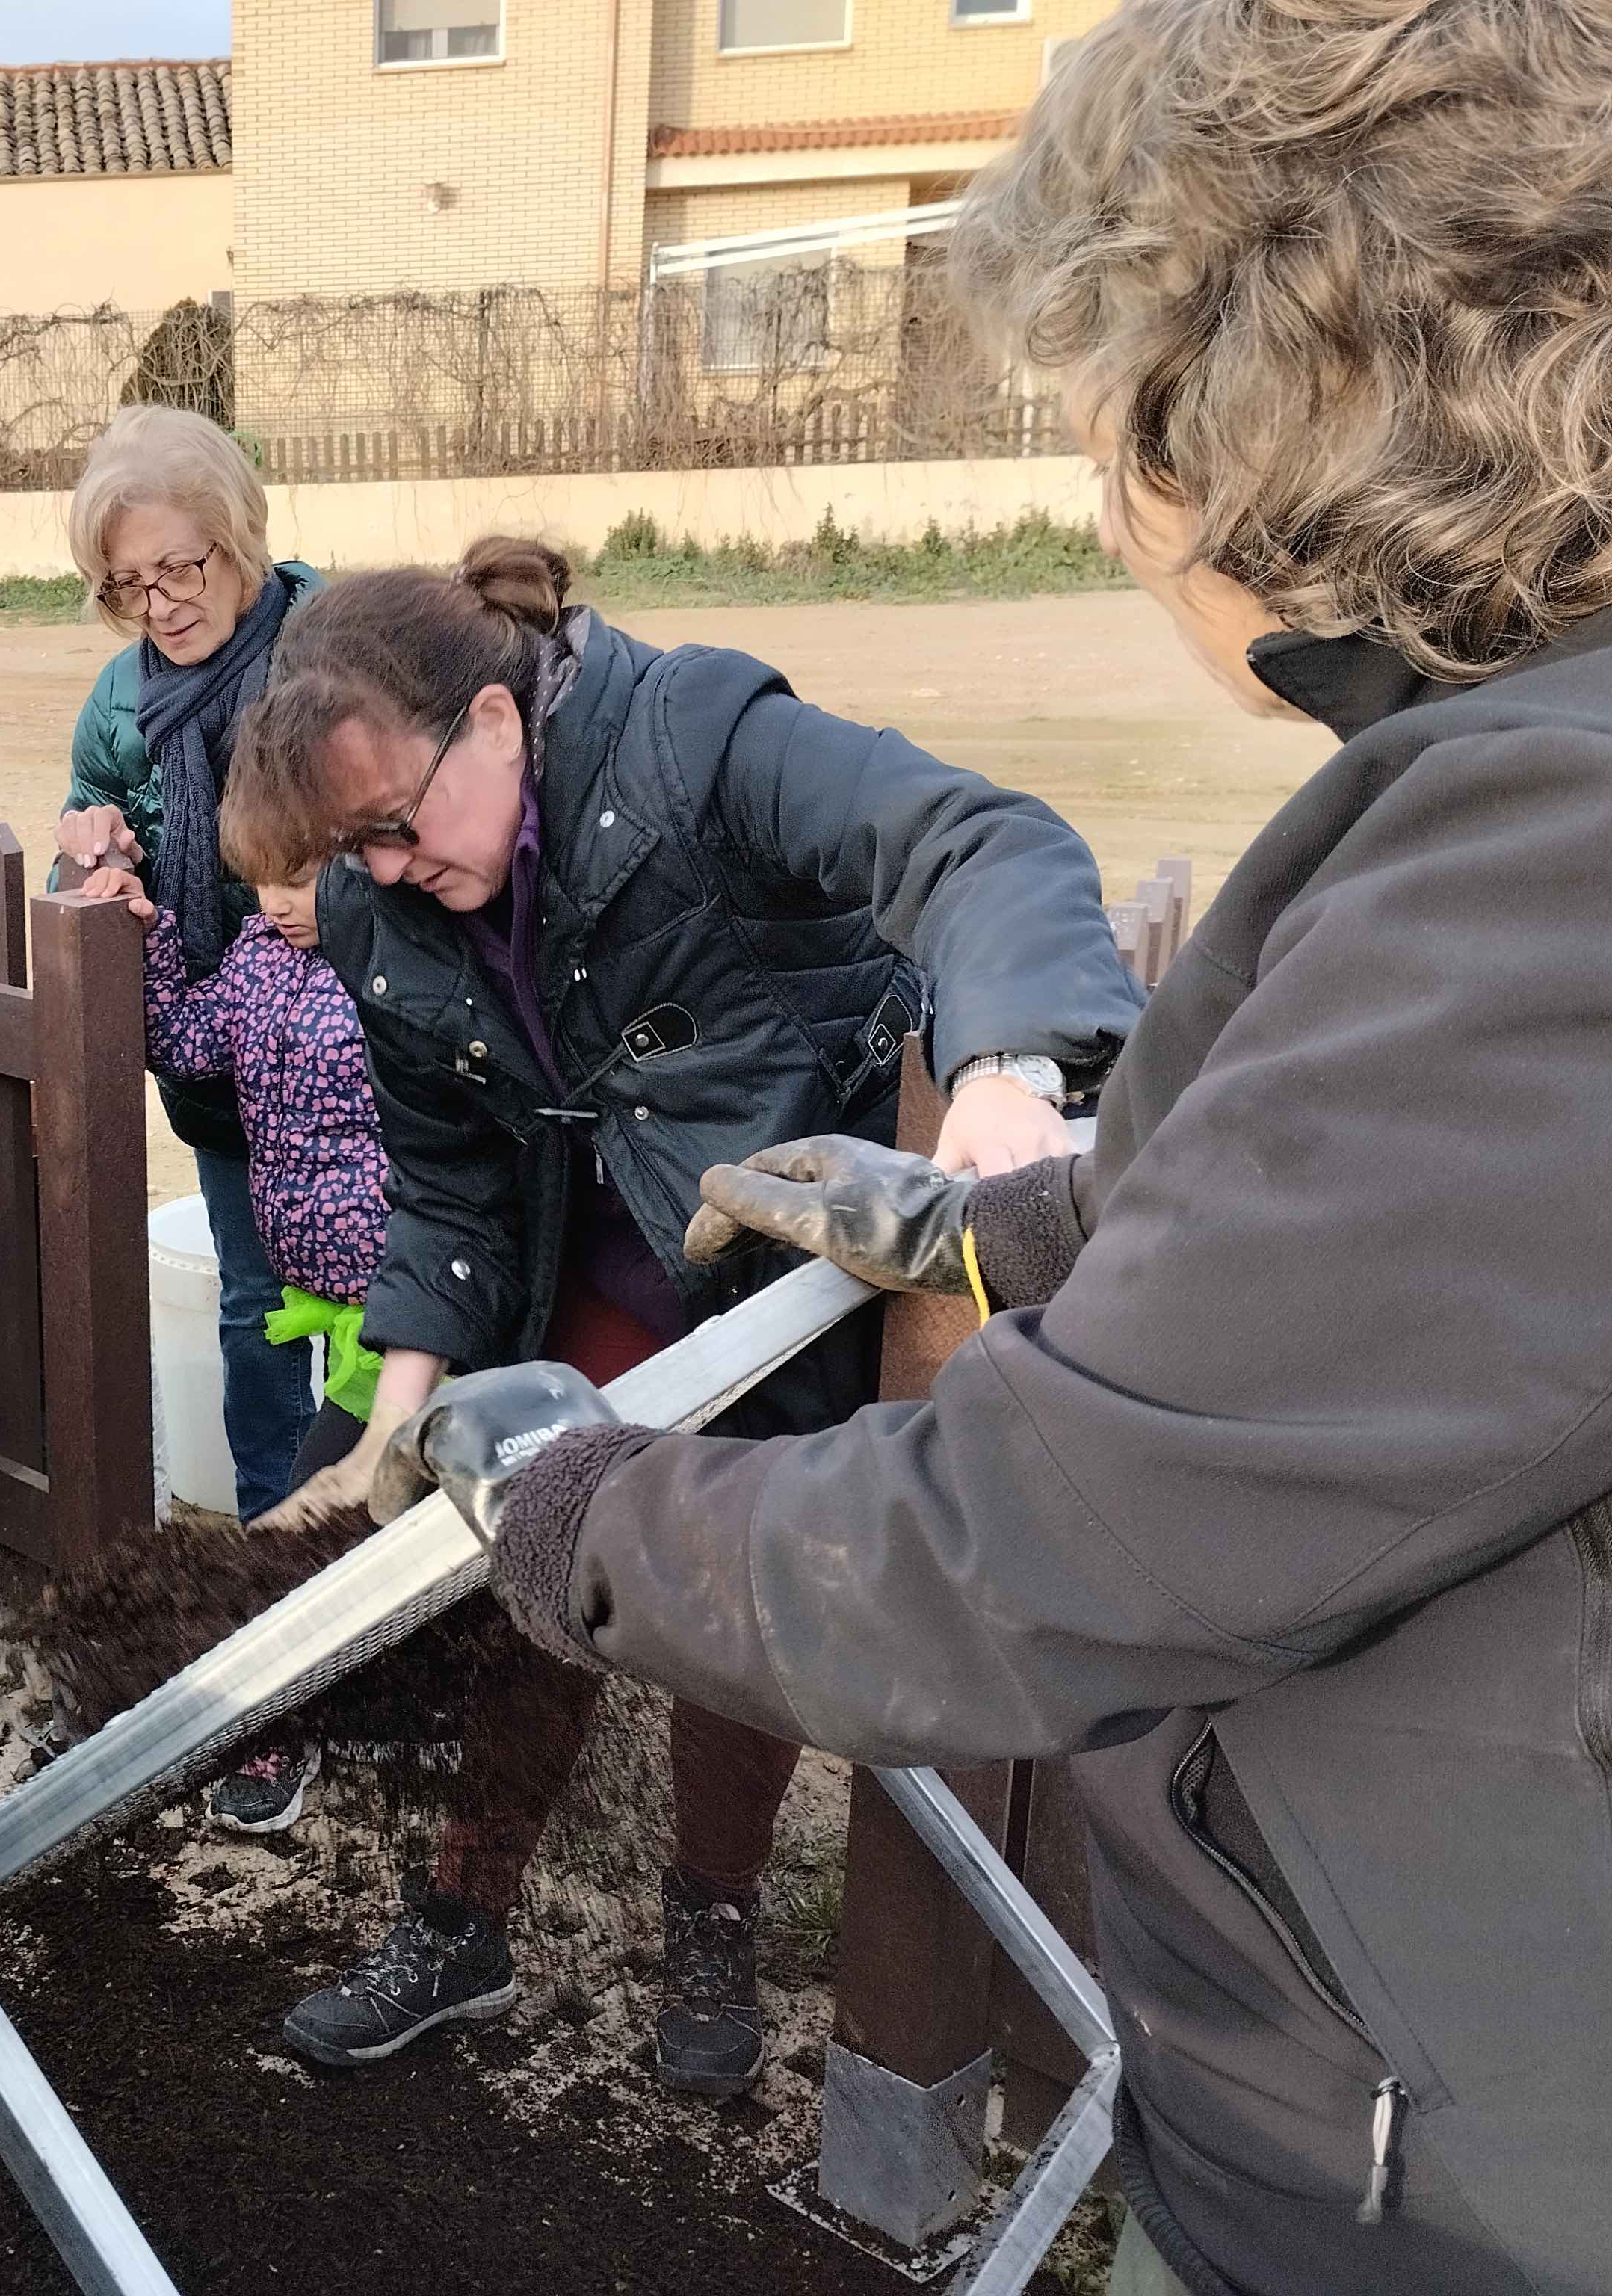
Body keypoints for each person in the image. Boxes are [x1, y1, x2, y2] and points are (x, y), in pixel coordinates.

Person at [368, 5, 1612, 2289]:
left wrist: (579, 1511)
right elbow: (1428, 1240)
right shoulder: (1521, 762)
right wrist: (994, 1229)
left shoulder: (1563, 841)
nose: (1103, 498)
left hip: (1471, 2196)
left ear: (1270, 382)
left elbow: (1052, 1540)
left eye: (1100, 398)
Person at [227, 535, 1142, 2083]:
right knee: (521, 1527)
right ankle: (463, 1922)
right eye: (346, 847)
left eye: (390, 826)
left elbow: (985, 844)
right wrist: (395, 1418)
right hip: (587, 1253)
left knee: (740, 1568)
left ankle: (710, 1909)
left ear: (500, 727)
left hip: (781, 1253)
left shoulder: (700, 741)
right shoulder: (385, 908)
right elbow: (443, 1180)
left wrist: (1004, 1069)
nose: (376, 872)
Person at [100, 798, 394, 1834]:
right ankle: (341, 1690)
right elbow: (184, 1043)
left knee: (334, 1498)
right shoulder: (261, 959)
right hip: (303, 1283)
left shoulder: (402, 962)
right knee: (333, 1501)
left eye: (307, 879)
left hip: (398, 1300)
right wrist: (152, 937)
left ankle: (303, 1705)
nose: (286, 905)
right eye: (268, 884)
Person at [58, 405, 324, 1522]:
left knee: (412, 1292)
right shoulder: (121, 701)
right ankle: (277, 1533)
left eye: (179, 567)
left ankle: (406, 1538)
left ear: (241, 537)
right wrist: (100, 859)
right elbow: (84, 818)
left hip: (371, 1050)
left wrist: (336, 900)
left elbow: (446, 826)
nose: (160, 605)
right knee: (257, 1303)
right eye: (128, 585)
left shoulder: (337, 649)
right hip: (221, 1063)